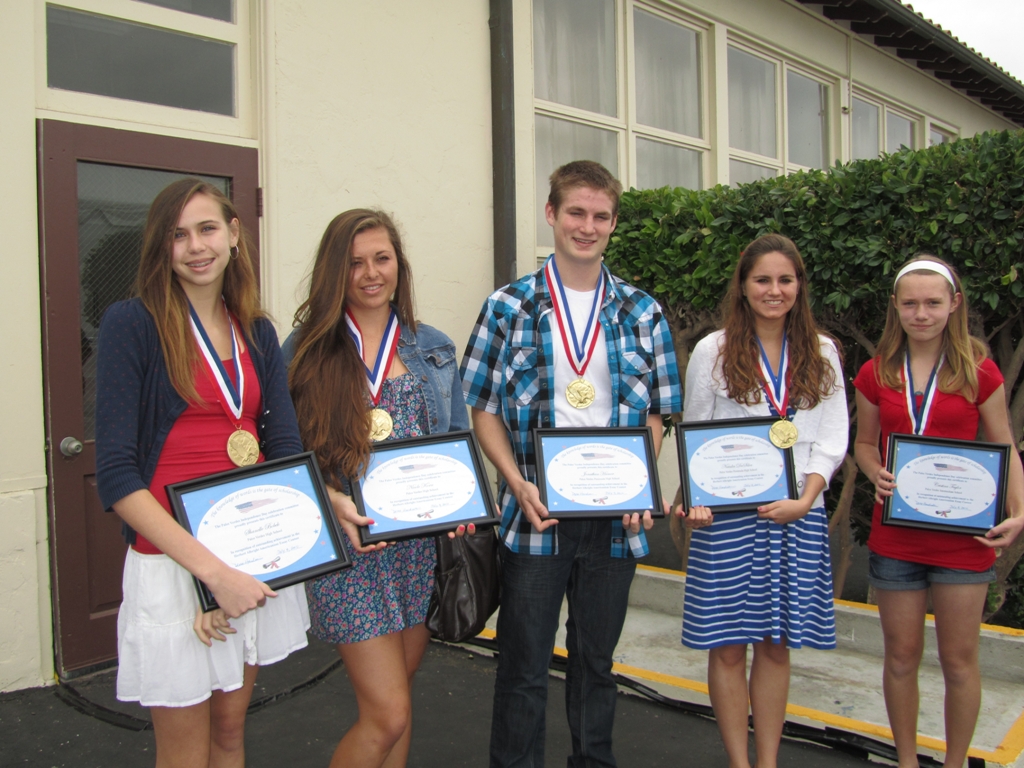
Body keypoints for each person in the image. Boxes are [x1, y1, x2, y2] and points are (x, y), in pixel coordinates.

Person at [461, 160, 681, 767]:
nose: (588, 227)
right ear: (552, 214)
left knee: (596, 667)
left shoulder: (642, 311)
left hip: (615, 522)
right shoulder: (508, 306)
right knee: (522, 668)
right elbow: (482, 408)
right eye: (576, 213)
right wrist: (515, 483)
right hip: (535, 515)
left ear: (613, 223)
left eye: (601, 216)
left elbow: (658, 413)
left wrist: (638, 483)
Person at [95, 178, 310, 768]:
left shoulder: (256, 330)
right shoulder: (132, 323)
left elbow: (282, 446)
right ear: (160, 247)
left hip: (245, 549)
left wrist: (323, 504)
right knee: (185, 752)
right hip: (176, 561)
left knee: (229, 734)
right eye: (178, 234)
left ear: (234, 233)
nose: (195, 246)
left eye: (208, 228)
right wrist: (213, 575)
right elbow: (116, 475)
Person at [284, 209, 471, 768]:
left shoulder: (432, 345)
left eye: (382, 259)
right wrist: (328, 497)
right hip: (351, 550)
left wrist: (464, 503)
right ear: (334, 271)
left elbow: (455, 439)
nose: (371, 273)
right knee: (386, 714)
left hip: (419, 547)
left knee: (399, 705)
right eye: (355, 262)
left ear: (399, 265)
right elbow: (285, 452)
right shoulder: (305, 349)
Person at [679, 234, 847, 768]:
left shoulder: (822, 351)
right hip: (727, 521)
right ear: (743, 286)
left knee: (776, 646)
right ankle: (739, 761)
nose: (775, 291)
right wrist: (696, 500)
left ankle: (768, 762)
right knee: (728, 647)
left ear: (799, 286)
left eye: (785, 280)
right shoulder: (713, 350)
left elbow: (832, 439)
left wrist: (807, 497)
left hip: (798, 516)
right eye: (762, 280)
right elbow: (695, 431)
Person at [853, 255, 1024, 768]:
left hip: (963, 541)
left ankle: (954, 763)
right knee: (901, 658)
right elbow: (864, 444)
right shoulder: (877, 371)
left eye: (932, 303)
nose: (921, 314)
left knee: (959, 661)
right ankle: (906, 761)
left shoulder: (978, 370)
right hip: (897, 539)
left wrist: (1019, 511)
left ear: (955, 304)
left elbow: (1005, 445)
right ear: (895, 307)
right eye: (910, 304)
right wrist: (874, 472)